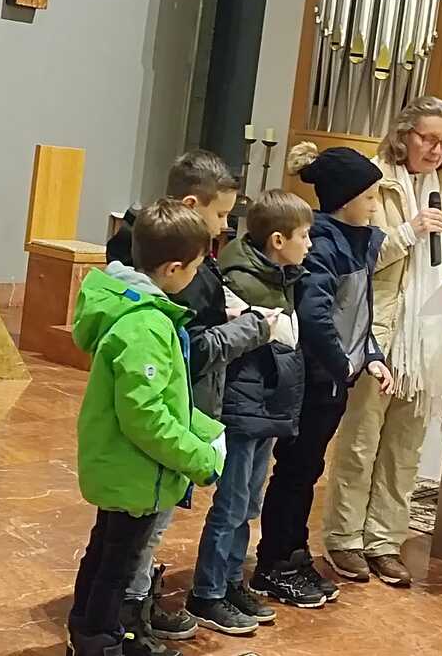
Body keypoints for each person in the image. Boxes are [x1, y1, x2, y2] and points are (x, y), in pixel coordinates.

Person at [321, 96, 442, 588]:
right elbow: (357, 257)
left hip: (431, 336)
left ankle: (384, 541)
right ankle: (344, 538)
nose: (437, 150)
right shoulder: (372, 179)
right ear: (404, 135)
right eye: (429, 138)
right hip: (381, 330)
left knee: (405, 448)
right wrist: (409, 231)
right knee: (361, 442)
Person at [108, 151, 271, 654]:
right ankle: (128, 617)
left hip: (178, 409)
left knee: (143, 526)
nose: (225, 227)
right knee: (144, 526)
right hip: (169, 415)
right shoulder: (170, 276)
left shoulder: (168, 257)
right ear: (190, 205)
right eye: (220, 215)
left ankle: (129, 608)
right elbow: (193, 350)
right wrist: (251, 329)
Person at [66, 199, 227, 656]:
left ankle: (89, 634)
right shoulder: (146, 325)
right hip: (134, 471)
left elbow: (165, 399)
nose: (198, 274)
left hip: (124, 468)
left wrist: (203, 428)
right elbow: (146, 416)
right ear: (174, 269)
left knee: (106, 552)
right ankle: (99, 641)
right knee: (116, 566)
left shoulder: (135, 309)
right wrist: (201, 458)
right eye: (197, 266)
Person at [250, 146, 394, 608]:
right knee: (295, 471)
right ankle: (275, 562)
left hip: (335, 377)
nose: (375, 205)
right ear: (345, 198)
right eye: (370, 197)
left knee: (308, 470)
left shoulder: (358, 240)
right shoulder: (325, 245)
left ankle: (293, 554)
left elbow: (358, 312)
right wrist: (343, 365)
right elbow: (316, 319)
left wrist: (370, 354)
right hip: (315, 380)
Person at [186, 189, 313, 635]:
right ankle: (207, 593)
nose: (310, 245)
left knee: (248, 504)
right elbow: (257, 339)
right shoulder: (242, 280)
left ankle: (230, 582)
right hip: (242, 407)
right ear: (278, 240)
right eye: (304, 236)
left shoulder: (282, 275)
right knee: (231, 504)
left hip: (267, 405)